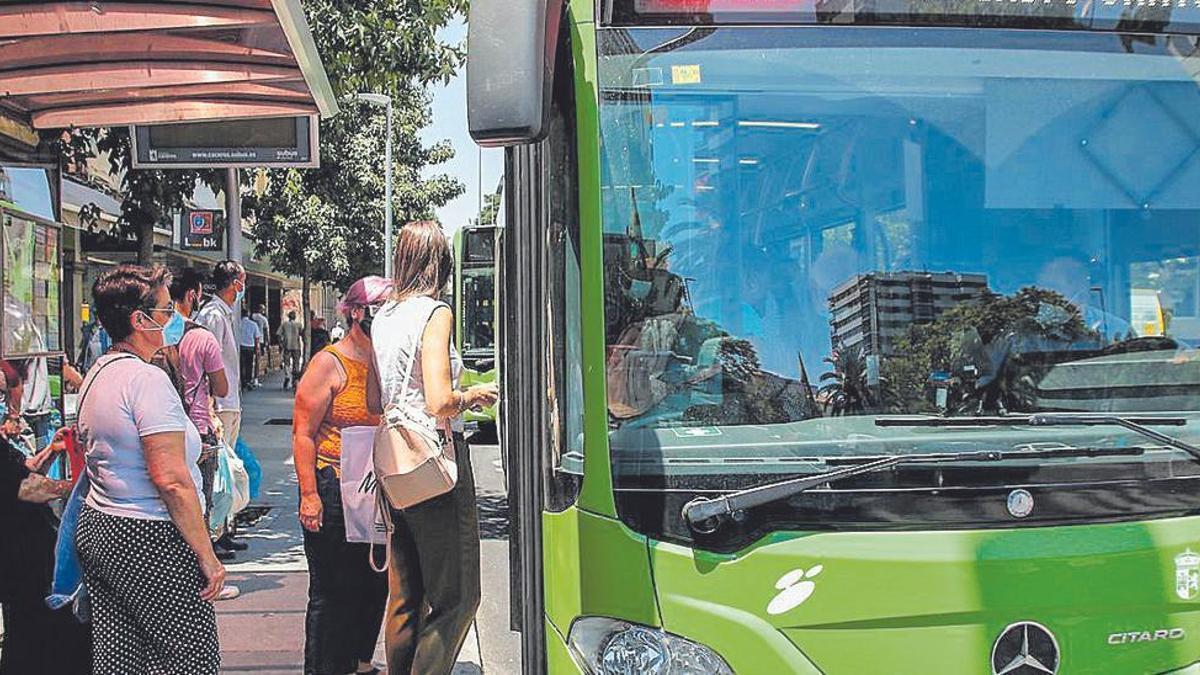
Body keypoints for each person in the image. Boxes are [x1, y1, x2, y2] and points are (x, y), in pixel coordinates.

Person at [76, 265, 223, 674]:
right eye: (164, 310)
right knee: (189, 657)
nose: (172, 318)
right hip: (150, 533)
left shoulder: (99, 373)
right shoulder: (146, 380)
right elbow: (171, 479)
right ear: (139, 321)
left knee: (122, 654)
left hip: (103, 525)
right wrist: (206, 555)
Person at [370, 221, 498, 674]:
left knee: (406, 596)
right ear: (441, 263)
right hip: (434, 462)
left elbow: (373, 399)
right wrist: (476, 394)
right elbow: (440, 400)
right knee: (459, 596)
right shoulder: (435, 313)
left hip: (393, 464)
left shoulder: (381, 316)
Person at [294, 276, 392, 675]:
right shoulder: (328, 363)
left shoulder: (389, 362)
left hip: (378, 490)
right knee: (330, 591)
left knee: (375, 584)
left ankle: (361, 663)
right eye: (375, 307)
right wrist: (309, 494)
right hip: (333, 487)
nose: (381, 315)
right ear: (355, 311)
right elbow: (302, 432)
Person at [169, 268, 242, 575]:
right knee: (202, 500)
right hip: (199, 426)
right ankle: (204, 571)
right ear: (193, 295)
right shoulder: (202, 333)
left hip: (167, 425)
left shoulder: (155, 336)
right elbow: (221, 386)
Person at [0, 430, 91, 674]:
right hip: (19, 558)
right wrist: (78, 489)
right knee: (38, 634)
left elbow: (23, 469)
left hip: (30, 552)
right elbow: (25, 488)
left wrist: (51, 451)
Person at [196, 260, 245, 448]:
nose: (243, 288)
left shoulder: (223, 313)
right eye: (242, 282)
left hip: (229, 401)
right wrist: (211, 405)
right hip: (221, 405)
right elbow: (208, 362)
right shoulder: (213, 315)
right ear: (235, 283)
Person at [279, 310, 305, 390]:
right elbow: (302, 334)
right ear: (295, 317)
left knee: (286, 362)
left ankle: (287, 375)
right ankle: (295, 379)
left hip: (287, 346)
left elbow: (279, 334)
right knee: (296, 363)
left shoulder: (284, 324)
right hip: (296, 346)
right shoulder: (298, 325)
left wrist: (281, 343)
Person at [240, 309, 263, 392]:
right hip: (250, 347)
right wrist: (257, 348)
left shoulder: (238, 324)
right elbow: (257, 337)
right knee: (249, 364)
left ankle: (242, 380)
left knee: (241, 364)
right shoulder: (253, 324)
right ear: (248, 315)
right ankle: (248, 380)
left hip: (241, 347)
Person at [252, 304, 270, 387]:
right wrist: (267, 342)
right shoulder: (264, 319)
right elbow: (266, 331)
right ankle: (255, 378)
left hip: (250, 339)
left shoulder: (252, 316)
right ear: (261, 310)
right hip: (260, 340)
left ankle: (249, 377)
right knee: (257, 360)